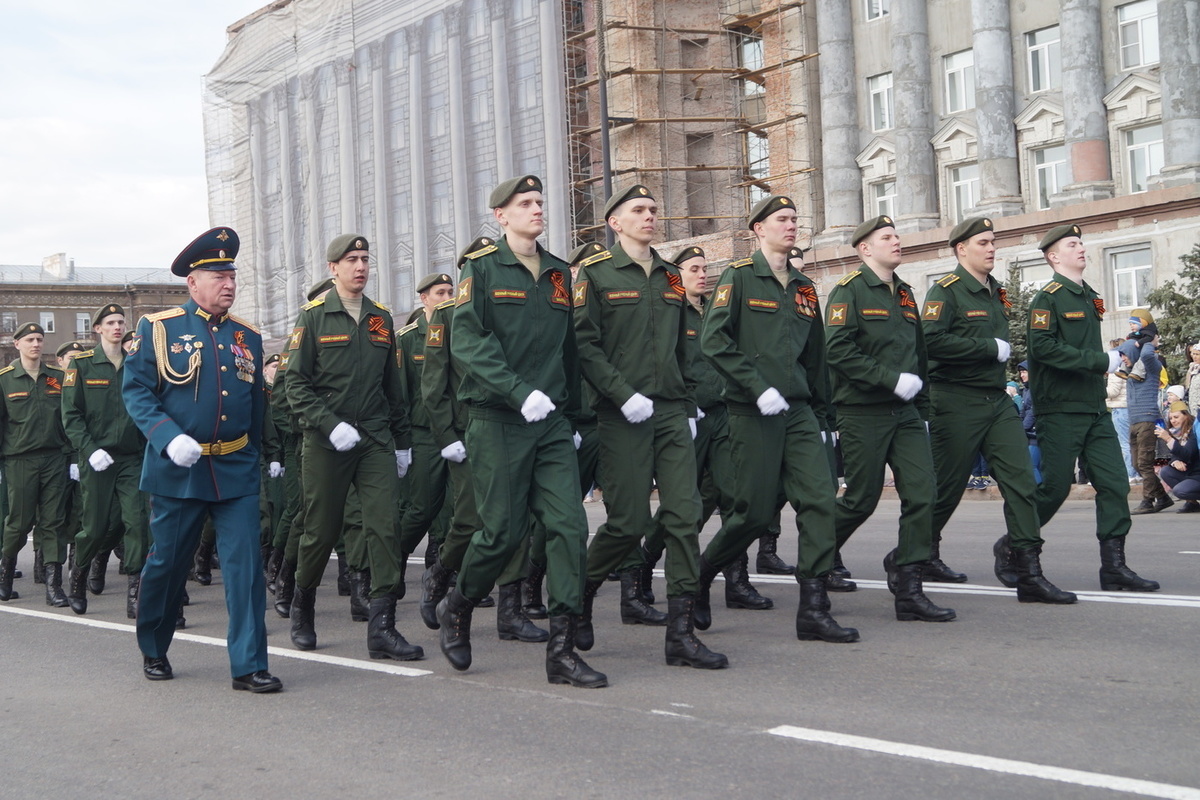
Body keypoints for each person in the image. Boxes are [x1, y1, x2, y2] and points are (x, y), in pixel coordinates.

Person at [435, 175, 605, 688]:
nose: (537, 209)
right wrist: (515, 391)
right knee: (502, 534)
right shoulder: (480, 270)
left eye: (539, 201)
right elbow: (468, 341)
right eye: (524, 203)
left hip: (550, 420)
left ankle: (562, 650)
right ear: (500, 216)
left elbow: (568, 351)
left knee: (570, 528)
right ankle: (458, 606)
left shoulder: (558, 274)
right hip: (499, 418)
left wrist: (572, 416)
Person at [574, 184, 727, 669]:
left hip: (668, 412)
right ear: (615, 223)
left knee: (684, 516)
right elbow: (584, 345)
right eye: (638, 210)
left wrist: (686, 403)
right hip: (621, 415)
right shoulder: (596, 276)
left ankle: (680, 635)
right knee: (628, 523)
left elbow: (684, 347)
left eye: (654, 210)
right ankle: (580, 594)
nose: (649, 216)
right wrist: (622, 394)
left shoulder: (669, 277)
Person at [122, 227, 281, 691]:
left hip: (234, 469)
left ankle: (249, 664)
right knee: (168, 565)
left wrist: (261, 456)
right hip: (179, 470)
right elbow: (135, 391)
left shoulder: (247, 336)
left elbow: (256, 406)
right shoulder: (160, 328)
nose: (228, 283)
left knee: (246, 570)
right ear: (193, 283)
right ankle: (154, 645)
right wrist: (166, 437)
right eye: (217, 275)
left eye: (231, 275)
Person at [697, 196, 857, 641]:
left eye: (794, 220)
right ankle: (699, 577)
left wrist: (827, 416)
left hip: (799, 412)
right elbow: (713, 341)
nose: (791, 226)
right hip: (752, 411)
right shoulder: (739, 278)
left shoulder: (804, 287)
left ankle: (814, 608)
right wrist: (755, 386)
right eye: (781, 220)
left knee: (820, 501)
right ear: (759, 229)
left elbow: (816, 357)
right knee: (752, 513)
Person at [923, 217, 1074, 603]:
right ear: (962, 249)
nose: (992, 249)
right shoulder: (945, 291)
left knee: (1022, 483)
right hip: (955, 400)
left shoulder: (998, 292)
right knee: (947, 488)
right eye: (983, 243)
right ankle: (915, 554)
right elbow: (930, 341)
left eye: (993, 242)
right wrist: (988, 348)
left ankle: (1028, 572)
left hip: (995, 401)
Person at [286, 233, 421, 661]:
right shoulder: (312, 318)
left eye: (365, 258)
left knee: (384, 529)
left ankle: (383, 627)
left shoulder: (381, 318)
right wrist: (328, 424)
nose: (360, 266)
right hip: (327, 444)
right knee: (321, 531)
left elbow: (393, 388)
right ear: (333, 268)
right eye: (351, 260)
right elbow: (295, 384)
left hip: (375, 440)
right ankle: (302, 605)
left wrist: (401, 443)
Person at [824, 215, 955, 622]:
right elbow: (837, 351)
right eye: (887, 237)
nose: (896, 241)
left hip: (906, 414)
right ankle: (820, 551)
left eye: (897, 235)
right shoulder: (849, 292)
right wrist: (889, 381)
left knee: (923, 494)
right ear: (865, 248)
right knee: (861, 499)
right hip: (863, 412)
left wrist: (924, 409)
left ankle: (908, 583)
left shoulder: (905, 294)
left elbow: (919, 355)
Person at [1026, 224, 1158, 592]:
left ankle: (1114, 567)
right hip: (1060, 408)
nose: (1081, 248)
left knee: (1115, 485)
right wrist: (1102, 361)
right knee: (1054, 488)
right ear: (1054, 256)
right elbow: (1043, 350)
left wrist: (1113, 358)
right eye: (1073, 244)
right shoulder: (1047, 298)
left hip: (1093, 407)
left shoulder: (1089, 296)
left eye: (1081, 242)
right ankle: (1016, 546)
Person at [61, 304, 151, 617]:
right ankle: (79, 575)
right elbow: (71, 415)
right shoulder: (83, 365)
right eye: (110, 322)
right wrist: (89, 449)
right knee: (95, 528)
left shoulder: (136, 364)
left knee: (138, 524)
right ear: (97, 328)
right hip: (98, 458)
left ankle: (136, 592)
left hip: (131, 457)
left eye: (121, 321)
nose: (117, 326)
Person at [0, 323, 71, 605]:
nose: (36, 344)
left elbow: (68, 417)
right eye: (29, 339)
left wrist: (71, 455)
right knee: (19, 522)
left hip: (54, 458)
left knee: (54, 522)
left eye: (40, 339)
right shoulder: (5, 379)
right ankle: (4, 577)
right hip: (20, 460)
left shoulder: (56, 378)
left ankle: (53, 586)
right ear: (17, 344)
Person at [395, 272, 456, 589]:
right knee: (421, 508)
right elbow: (400, 395)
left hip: (457, 432)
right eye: (440, 293)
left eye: (450, 292)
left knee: (456, 507)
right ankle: (395, 562)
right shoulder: (407, 338)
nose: (447, 298)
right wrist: (402, 444)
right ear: (424, 298)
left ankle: (445, 572)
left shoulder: (461, 330)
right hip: (423, 435)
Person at [1118, 327, 1170, 513]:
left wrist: (1148, 340)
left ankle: (1148, 501)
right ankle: (1163, 497)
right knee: (1136, 464)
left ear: (1134, 351)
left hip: (1147, 420)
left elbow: (1147, 354)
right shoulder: (1133, 371)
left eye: (1125, 354)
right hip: (1134, 421)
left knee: (1145, 463)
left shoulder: (1150, 365)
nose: (1123, 358)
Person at [1156, 402, 1200, 513]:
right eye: (1171, 418)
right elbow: (1172, 455)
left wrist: (1169, 440)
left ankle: (1190, 497)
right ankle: (1192, 503)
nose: (1173, 421)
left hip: (1197, 473)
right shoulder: (1175, 433)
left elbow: (1188, 454)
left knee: (1180, 491)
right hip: (1189, 471)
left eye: (1176, 417)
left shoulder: (1193, 431)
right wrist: (1175, 461)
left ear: (1186, 415)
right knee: (1166, 471)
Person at [1106, 338, 1139, 482]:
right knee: (1132, 443)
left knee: (1124, 443)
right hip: (1129, 407)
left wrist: (1099, 393)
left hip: (1120, 408)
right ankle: (1135, 473)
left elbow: (1113, 391)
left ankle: (1130, 474)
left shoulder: (1116, 369)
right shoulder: (1130, 367)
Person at [1185, 343, 1200, 420]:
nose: (1194, 356)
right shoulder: (1194, 368)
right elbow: (1187, 387)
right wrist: (1189, 372)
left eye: (1197, 354)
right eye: (1193, 354)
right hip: (1192, 408)